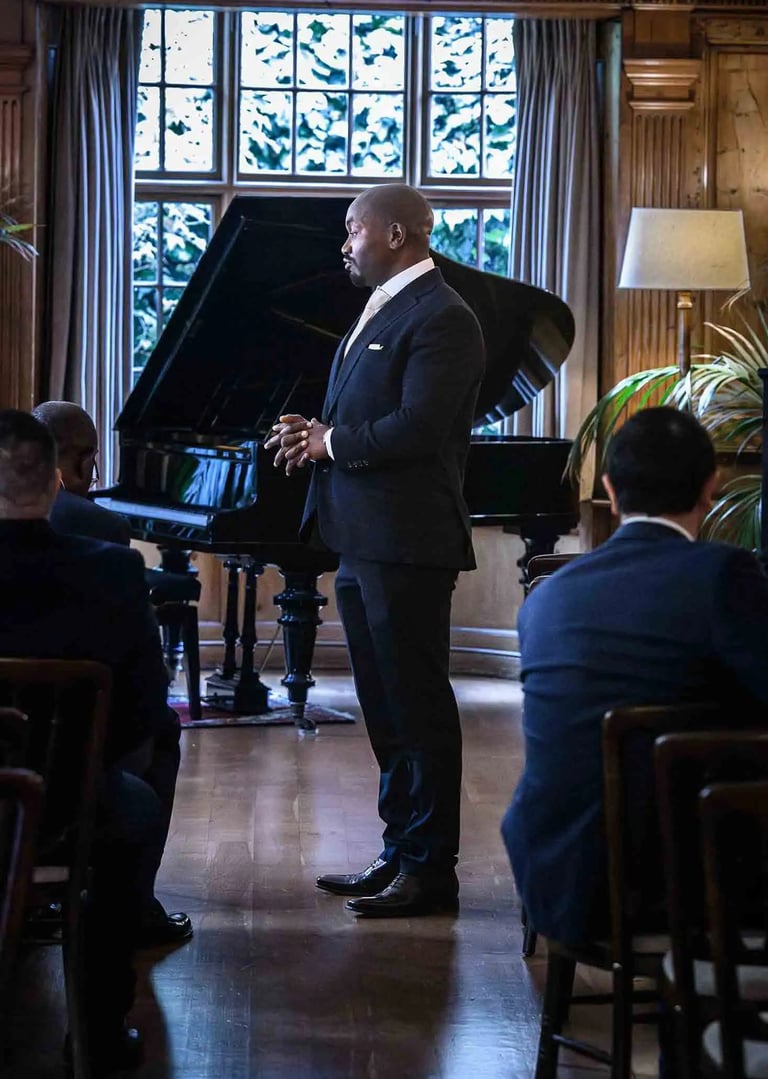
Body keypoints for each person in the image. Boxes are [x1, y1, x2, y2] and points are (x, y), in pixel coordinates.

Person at [265, 183, 486, 917]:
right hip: (361, 540)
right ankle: (399, 851)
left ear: (395, 233)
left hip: (408, 543)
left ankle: (431, 870)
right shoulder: (387, 304)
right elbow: (367, 414)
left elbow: (419, 428)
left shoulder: (444, 316)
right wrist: (316, 430)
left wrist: (334, 442)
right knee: (384, 708)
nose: (344, 243)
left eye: (354, 229)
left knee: (418, 708)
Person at [502, 406, 768, 947]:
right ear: (711, 487)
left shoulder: (547, 596)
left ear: (610, 488)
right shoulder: (723, 575)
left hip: (561, 883)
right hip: (693, 892)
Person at [0, 409, 177, 1073]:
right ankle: (99, 1024)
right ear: (53, 483)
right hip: (68, 808)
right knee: (136, 799)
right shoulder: (113, 571)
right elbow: (142, 712)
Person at [32, 400, 193, 949]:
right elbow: (142, 693)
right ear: (75, 466)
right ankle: (131, 911)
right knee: (160, 736)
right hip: (59, 783)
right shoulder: (102, 532)